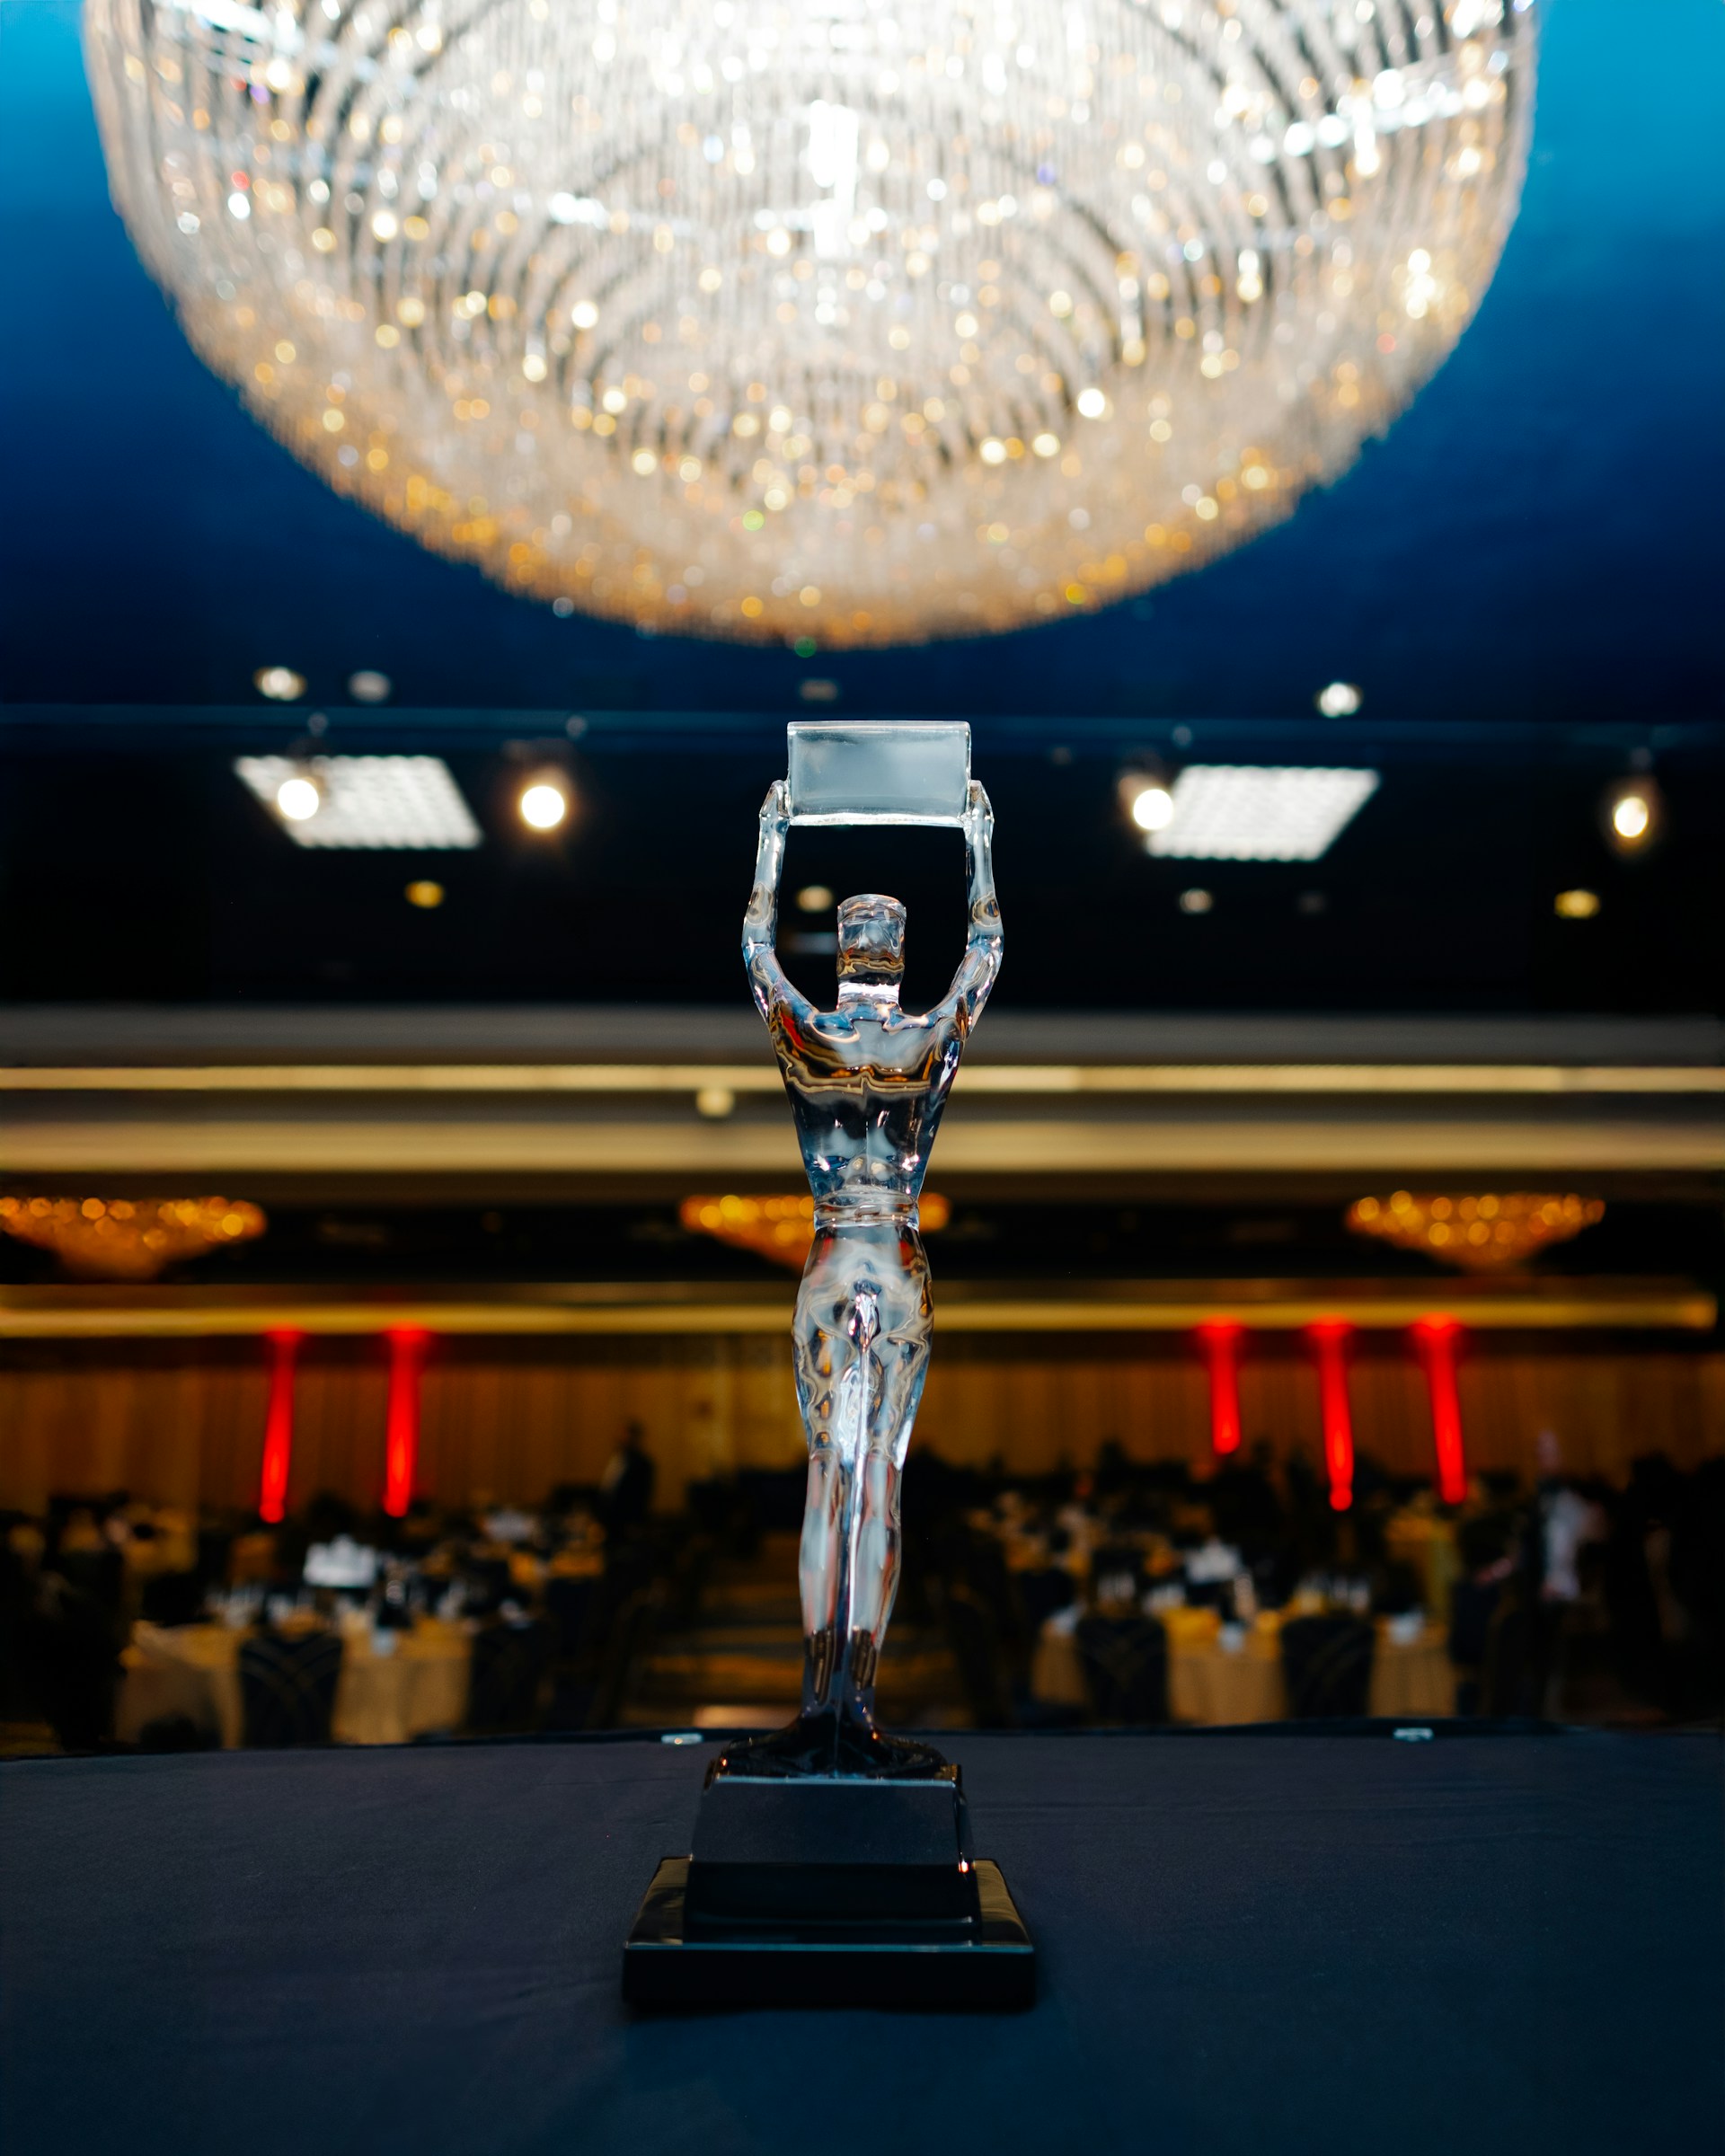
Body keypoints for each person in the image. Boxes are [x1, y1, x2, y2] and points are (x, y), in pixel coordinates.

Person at [728, 776, 1002, 1775]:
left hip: (836, 1252)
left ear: (845, 958)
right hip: (894, 1257)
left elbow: (757, 949)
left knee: (833, 1479)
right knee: (872, 1479)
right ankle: (853, 1708)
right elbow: (986, 954)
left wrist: (773, 839)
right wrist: (977, 839)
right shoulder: (925, 1044)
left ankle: (826, 1705)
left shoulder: (813, 1039)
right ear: (891, 956)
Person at [598, 1422, 656, 1541]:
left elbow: (642, 1495)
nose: (620, 1437)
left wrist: (635, 1523)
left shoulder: (643, 1463)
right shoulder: (617, 1458)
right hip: (609, 1519)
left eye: (625, 1434)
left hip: (627, 1523)